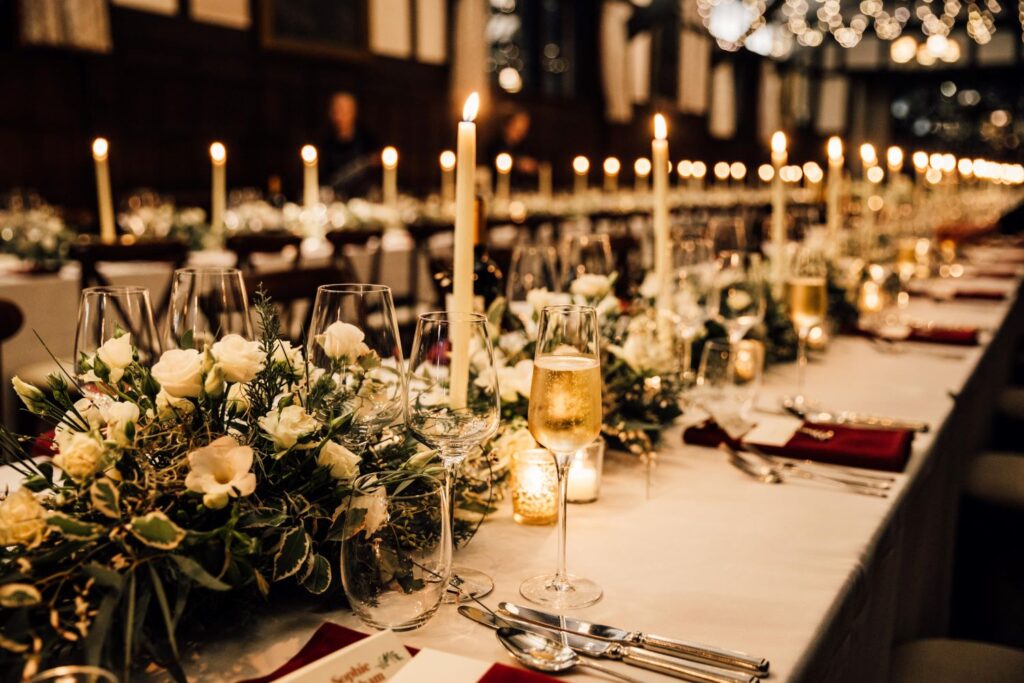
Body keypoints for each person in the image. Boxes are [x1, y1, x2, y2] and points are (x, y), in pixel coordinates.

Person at [321, 92, 380, 198]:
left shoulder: (368, 139)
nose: (340, 116)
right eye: (337, 111)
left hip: (363, 198)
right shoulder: (324, 142)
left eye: (345, 110)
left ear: (354, 112)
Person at [485, 109, 539, 187]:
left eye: (525, 127)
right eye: (519, 127)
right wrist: (518, 164)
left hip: (522, 190)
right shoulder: (495, 145)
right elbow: (495, 164)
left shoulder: (527, 146)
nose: (522, 131)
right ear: (508, 125)